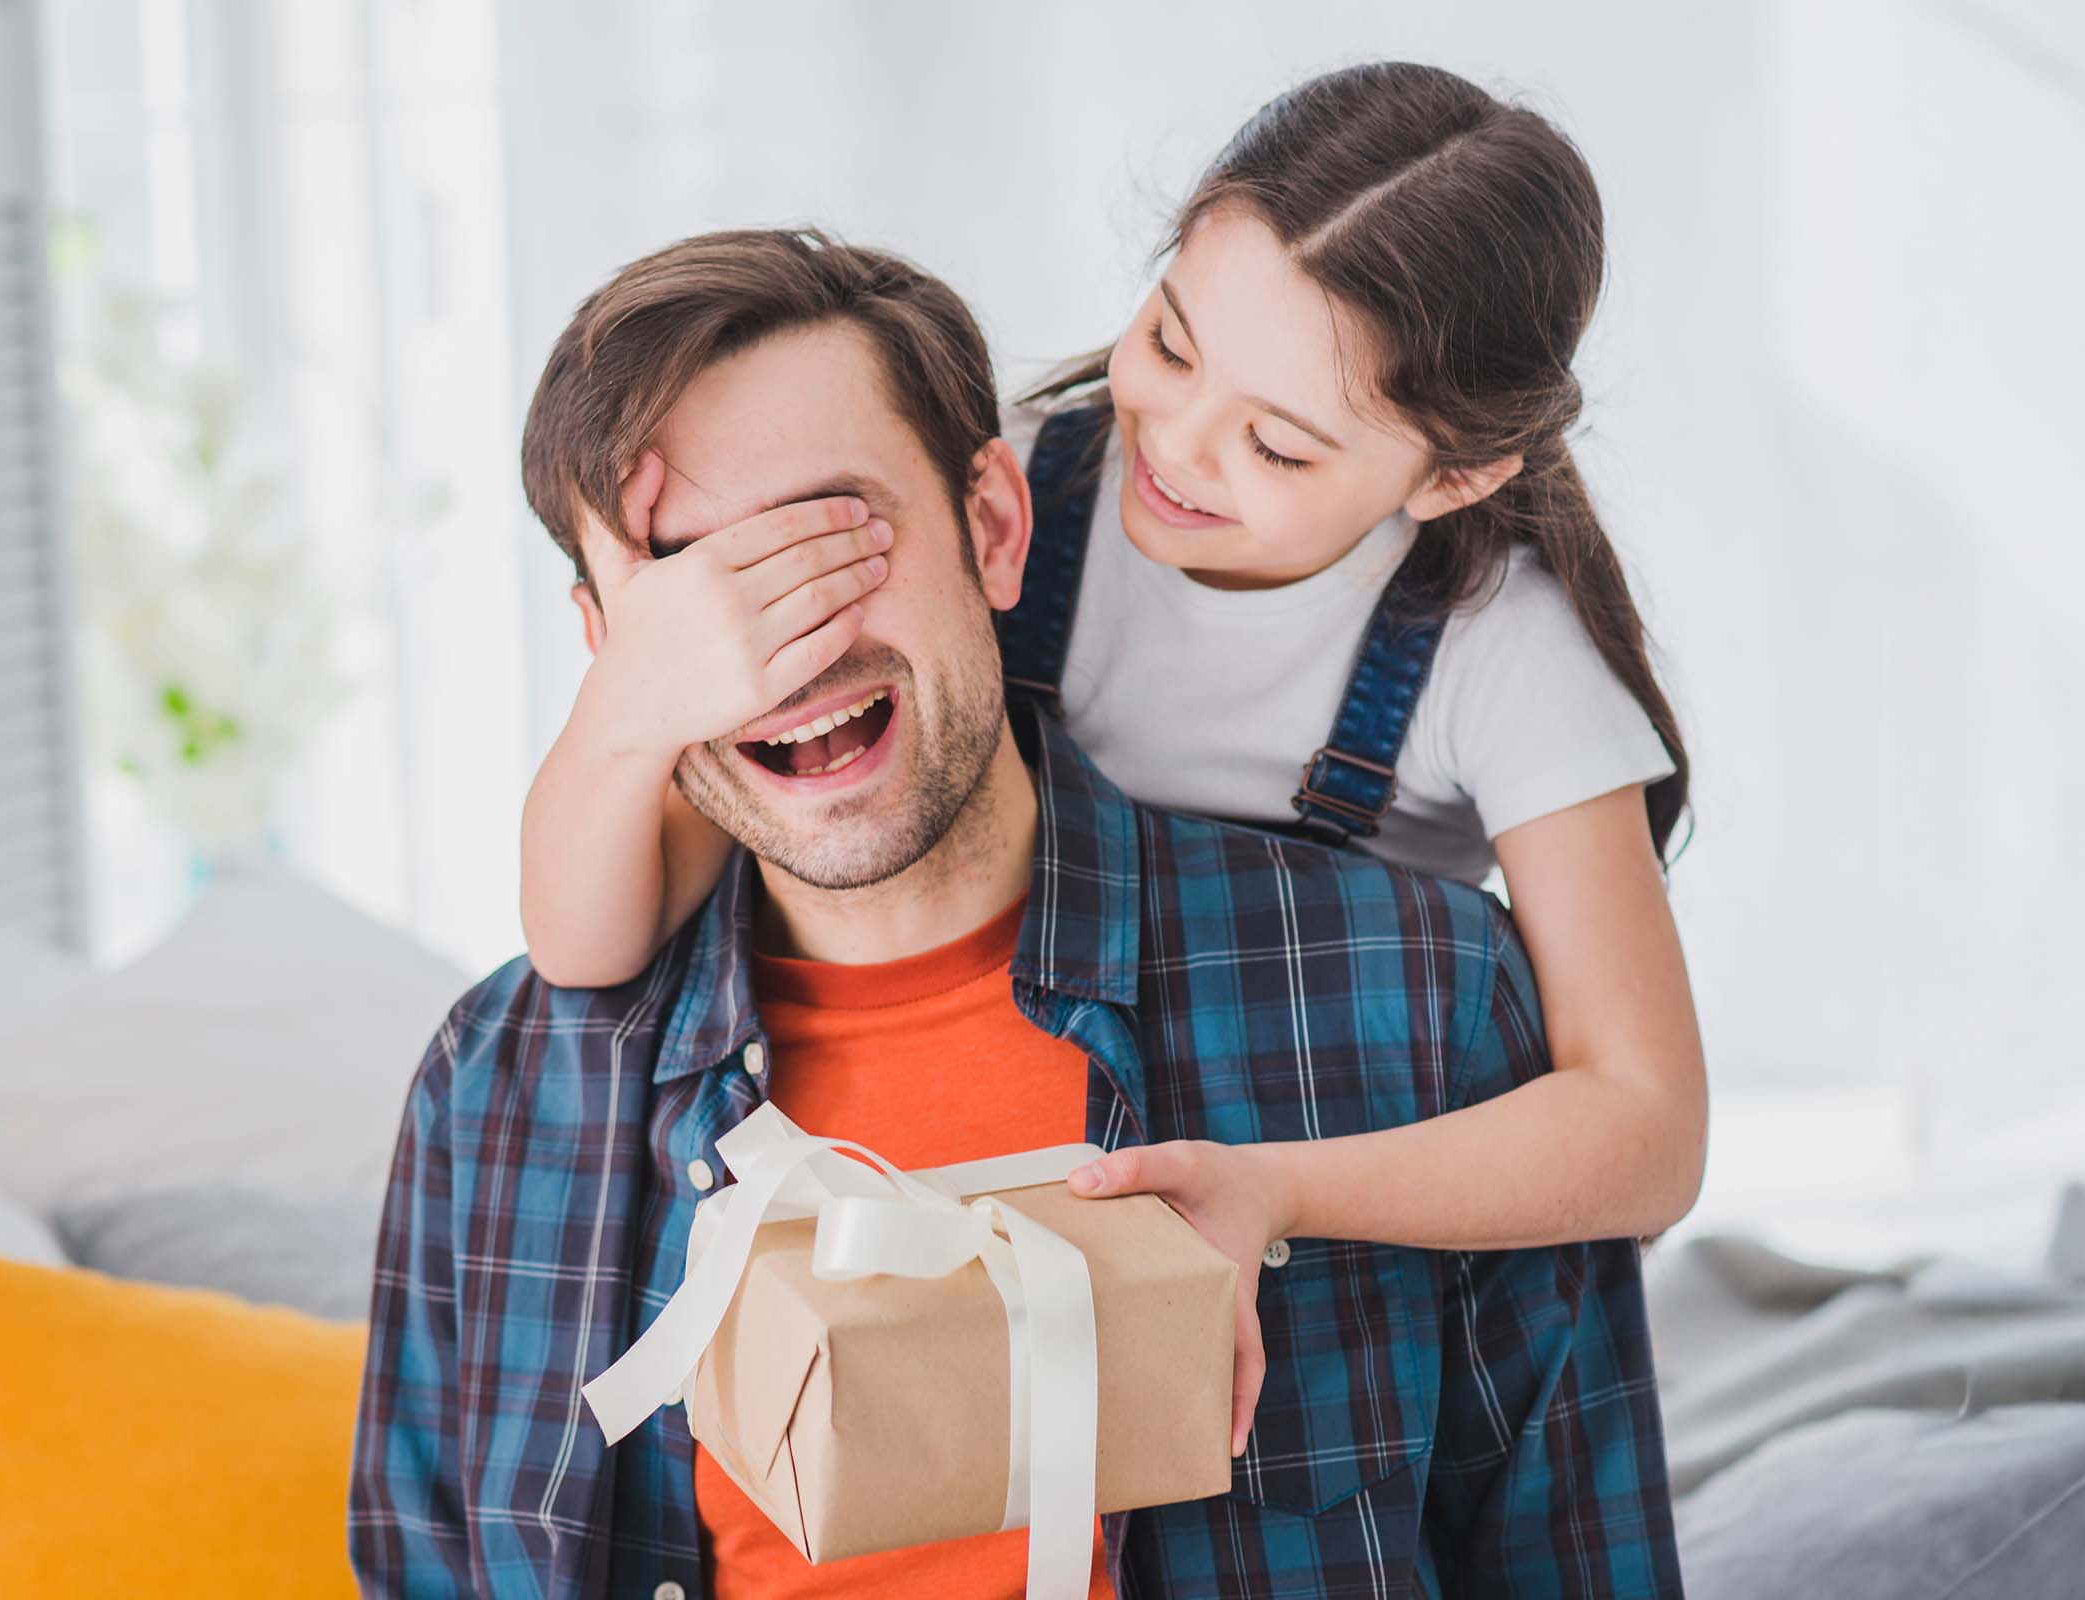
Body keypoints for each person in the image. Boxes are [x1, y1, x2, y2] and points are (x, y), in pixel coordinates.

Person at [350, 218, 1681, 1597]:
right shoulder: (498, 1090)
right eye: (690, 581)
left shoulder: (1423, 1006)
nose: (781, 646)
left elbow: (1581, 1553)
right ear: (607, 650)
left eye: (830, 540)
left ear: (994, 527)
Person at [515, 63, 1709, 1398]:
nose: (1179, 447)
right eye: (1173, 344)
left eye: (1280, 446)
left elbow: (1649, 1131)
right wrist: (629, 701)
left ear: (1453, 475)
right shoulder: (1008, 487)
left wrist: (1278, 1190)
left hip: (1310, 1179)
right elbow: (589, 939)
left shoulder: (1505, 653)